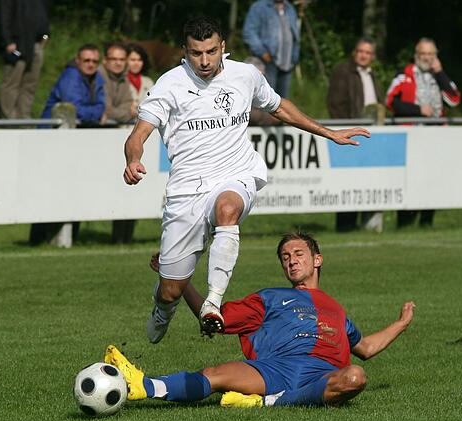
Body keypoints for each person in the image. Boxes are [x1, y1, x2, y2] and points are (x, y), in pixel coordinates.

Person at [121, 16, 369, 343]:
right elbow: (138, 135)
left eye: (211, 51)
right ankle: (163, 308)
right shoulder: (169, 84)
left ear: (223, 47)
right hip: (187, 192)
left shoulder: (245, 75)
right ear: (185, 51)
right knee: (171, 290)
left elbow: (279, 107)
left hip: (236, 174)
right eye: (196, 53)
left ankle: (213, 301)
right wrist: (133, 159)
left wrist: (328, 133)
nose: (205, 61)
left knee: (228, 209)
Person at [104, 232, 415, 407]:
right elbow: (214, 316)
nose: (292, 260)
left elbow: (365, 348)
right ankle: (142, 386)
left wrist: (400, 324)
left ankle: (269, 402)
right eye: (285, 256)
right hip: (274, 369)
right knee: (215, 373)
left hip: (321, 375)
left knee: (355, 377)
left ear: (317, 259)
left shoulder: (336, 309)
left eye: (298, 253)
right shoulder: (269, 298)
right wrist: (179, 279)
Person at [386, 37, 461, 228]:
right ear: (416, 55)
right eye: (423, 54)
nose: (427, 57)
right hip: (411, 137)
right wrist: (418, 110)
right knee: (410, 180)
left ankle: (427, 221)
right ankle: (404, 222)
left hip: (435, 138)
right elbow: (391, 102)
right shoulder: (405, 74)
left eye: (430, 54)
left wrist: (440, 72)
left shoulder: (439, 75)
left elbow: (454, 99)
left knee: (433, 179)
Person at [327, 37, 383, 232]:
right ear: (354, 52)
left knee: (367, 180)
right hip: (350, 134)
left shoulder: (372, 74)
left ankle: (367, 223)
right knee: (347, 181)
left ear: (372, 56)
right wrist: (345, 128)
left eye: (368, 53)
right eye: (361, 51)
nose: (363, 55)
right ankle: (345, 225)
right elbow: (335, 104)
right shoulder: (343, 72)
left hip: (369, 135)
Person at [0, 0, 49, 119]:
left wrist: (45, 37)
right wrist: (8, 41)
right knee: (12, 83)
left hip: (36, 46)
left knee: (30, 84)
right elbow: (3, 17)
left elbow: (45, 21)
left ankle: (24, 118)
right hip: (17, 47)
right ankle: (8, 119)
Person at [242, 0, 300, 98]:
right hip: (267, 62)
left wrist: (295, 56)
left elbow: (295, 36)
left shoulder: (290, 9)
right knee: (266, 100)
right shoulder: (259, 7)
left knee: (282, 103)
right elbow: (249, 32)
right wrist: (262, 52)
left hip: (287, 63)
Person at [41, 44, 105, 125]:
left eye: (95, 61)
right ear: (77, 60)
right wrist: (97, 115)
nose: (91, 65)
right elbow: (75, 110)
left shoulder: (97, 77)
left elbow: (102, 105)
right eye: (86, 60)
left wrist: (97, 112)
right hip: (53, 129)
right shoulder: (70, 77)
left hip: (78, 127)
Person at [98, 42, 134, 124]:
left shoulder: (124, 76)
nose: (118, 63)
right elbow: (106, 109)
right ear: (105, 60)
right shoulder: (98, 76)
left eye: (122, 59)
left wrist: (116, 112)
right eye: (114, 59)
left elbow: (128, 103)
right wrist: (130, 114)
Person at [126, 44, 155, 120]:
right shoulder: (120, 81)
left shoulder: (149, 82)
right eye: (133, 60)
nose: (136, 63)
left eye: (139, 60)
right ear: (126, 61)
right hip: (122, 126)